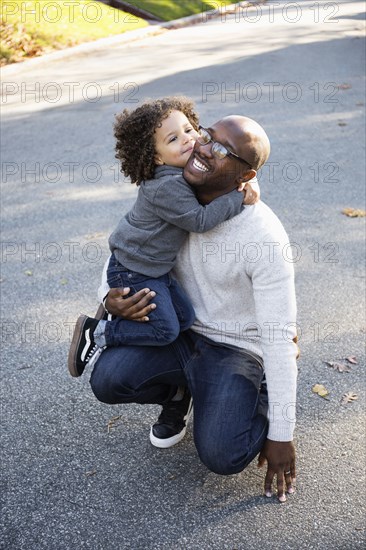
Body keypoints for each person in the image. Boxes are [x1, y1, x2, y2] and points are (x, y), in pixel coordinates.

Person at [90, 115, 298, 502]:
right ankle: (178, 393)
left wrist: (281, 434)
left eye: (221, 150)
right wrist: (108, 295)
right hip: (182, 332)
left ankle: (260, 392)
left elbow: (280, 337)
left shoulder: (264, 237)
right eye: (206, 136)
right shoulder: (174, 193)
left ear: (244, 174)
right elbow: (131, 246)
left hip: (235, 349)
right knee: (107, 380)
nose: (201, 148)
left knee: (224, 455)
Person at [68, 97, 259, 377]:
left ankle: (179, 383)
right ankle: (98, 332)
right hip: (134, 271)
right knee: (165, 329)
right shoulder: (167, 186)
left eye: (189, 130)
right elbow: (200, 220)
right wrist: (238, 196)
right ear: (157, 157)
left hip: (154, 269)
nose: (187, 139)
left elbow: (222, 172)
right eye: (173, 139)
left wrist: (244, 178)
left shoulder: (180, 174)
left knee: (184, 318)